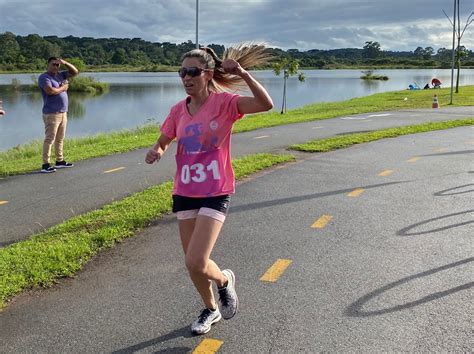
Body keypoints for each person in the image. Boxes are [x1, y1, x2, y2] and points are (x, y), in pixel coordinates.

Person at [145, 43, 273, 335]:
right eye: (182, 72)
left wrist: (242, 73)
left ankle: (225, 280)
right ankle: (211, 309)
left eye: (192, 72)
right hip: (185, 190)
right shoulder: (178, 110)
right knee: (193, 265)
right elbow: (165, 139)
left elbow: (266, 105)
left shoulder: (225, 103)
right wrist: (158, 151)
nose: (186, 78)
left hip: (215, 189)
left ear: (208, 74)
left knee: (196, 259)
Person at [38, 57, 79, 173]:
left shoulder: (60, 75)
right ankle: (45, 164)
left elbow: (75, 72)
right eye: (53, 64)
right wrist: (64, 88)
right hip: (51, 113)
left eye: (57, 65)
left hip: (62, 112)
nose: (55, 66)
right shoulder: (44, 77)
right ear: (48, 64)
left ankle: (59, 161)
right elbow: (50, 91)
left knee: (60, 138)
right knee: (50, 139)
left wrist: (65, 62)